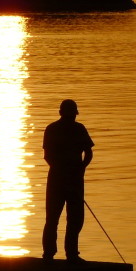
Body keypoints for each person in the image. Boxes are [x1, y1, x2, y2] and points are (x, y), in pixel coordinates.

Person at [42, 99, 94, 262]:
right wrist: (66, 171)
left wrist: (81, 169)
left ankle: (71, 253)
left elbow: (88, 152)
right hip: (58, 179)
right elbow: (48, 156)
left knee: (75, 218)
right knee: (53, 218)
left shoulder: (79, 129)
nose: (72, 117)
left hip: (74, 178)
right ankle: (49, 254)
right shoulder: (52, 129)